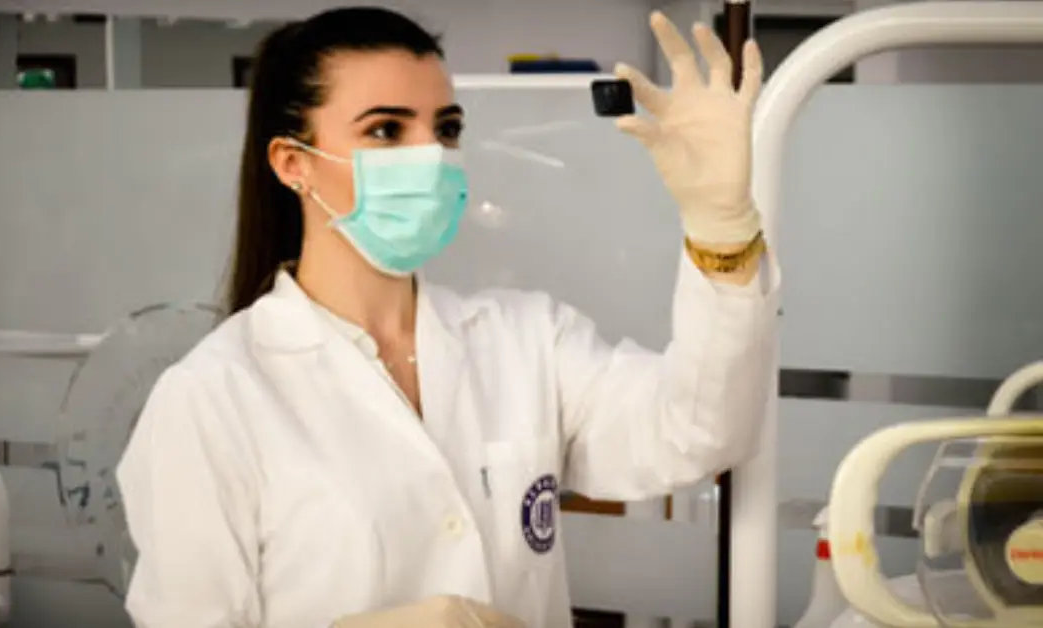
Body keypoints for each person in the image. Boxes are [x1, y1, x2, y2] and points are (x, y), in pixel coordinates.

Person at [116, 6, 779, 628]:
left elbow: (700, 430)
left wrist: (720, 229)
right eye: (385, 130)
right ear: (293, 163)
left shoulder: (527, 340)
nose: (430, 155)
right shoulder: (213, 397)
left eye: (447, 128)